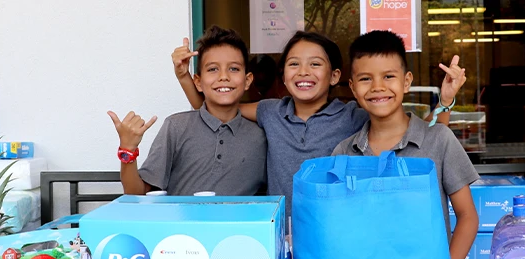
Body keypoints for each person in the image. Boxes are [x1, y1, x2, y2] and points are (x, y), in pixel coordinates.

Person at [171, 30, 466, 217]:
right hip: (280, 233)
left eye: (315, 64)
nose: (304, 72)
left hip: (330, 229)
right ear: (283, 77)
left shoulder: (353, 114)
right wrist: (185, 76)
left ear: (335, 76)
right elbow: (215, 108)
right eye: (294, 64)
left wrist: (446, 100)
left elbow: (420, 135)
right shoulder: (270, 111)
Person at [330, 30, 479, 259]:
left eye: (389, 76)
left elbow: (468, 216)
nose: (378, 87)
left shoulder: (439, 140)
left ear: (407, 81)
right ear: (352, 87)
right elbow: (339, 228)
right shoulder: (344, 153)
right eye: (365, 79)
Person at [110, 25, 267, 196]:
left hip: (239, 223)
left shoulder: (261, 137)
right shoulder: (177, 127)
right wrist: (128, 149)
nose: (224, 76)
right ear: (198, 82)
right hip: (182, 223)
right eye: (213, 69)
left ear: (247, 80)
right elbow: (136, 193)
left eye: (234, 69)